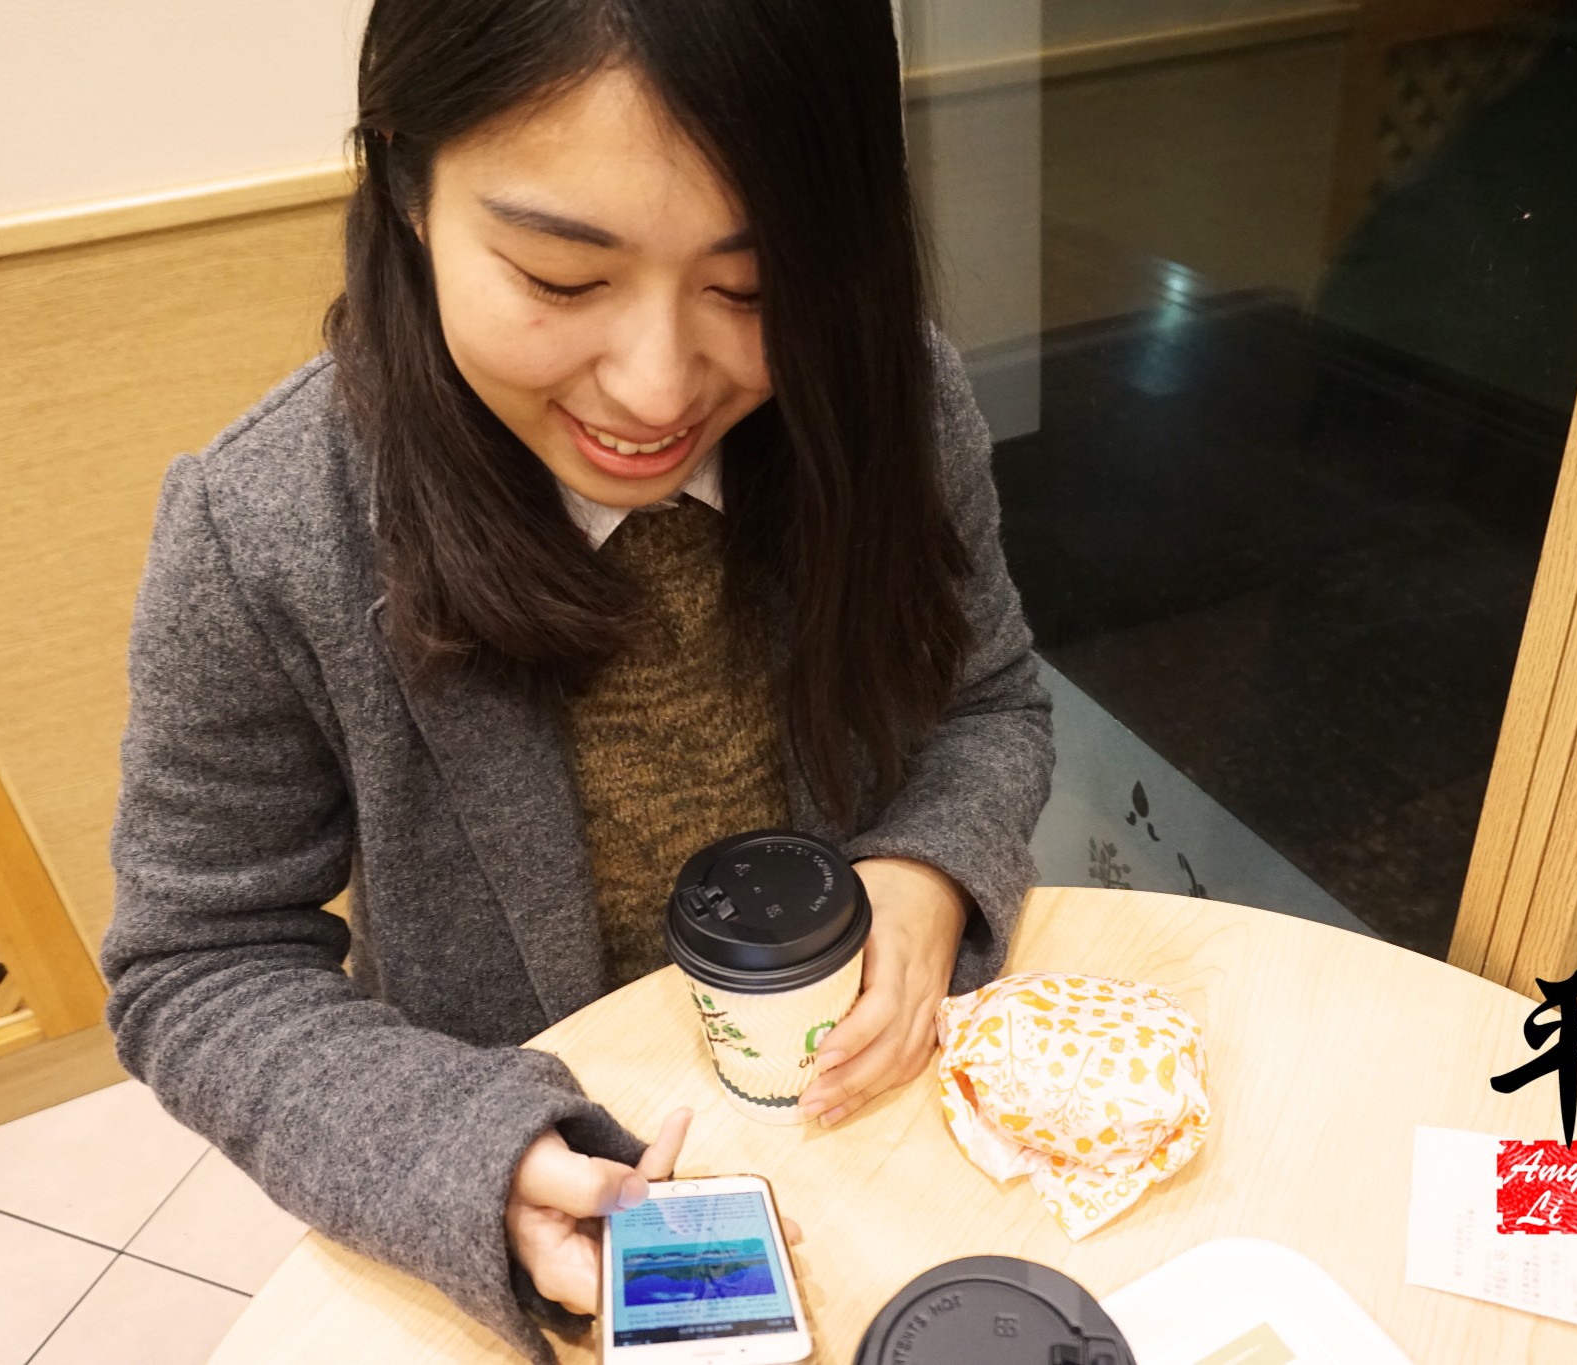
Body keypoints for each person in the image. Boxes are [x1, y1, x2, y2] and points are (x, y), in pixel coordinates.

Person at [100, 0, 1054, 1360]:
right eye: (560, 278)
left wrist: (929, 864)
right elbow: (197, 963)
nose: (657, 389)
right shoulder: (265, 529)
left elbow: (988, 700)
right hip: (563, 1187)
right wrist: (470, 1156)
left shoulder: (889, 402)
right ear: (406, 185)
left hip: (880, 1132)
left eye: (754, 286)